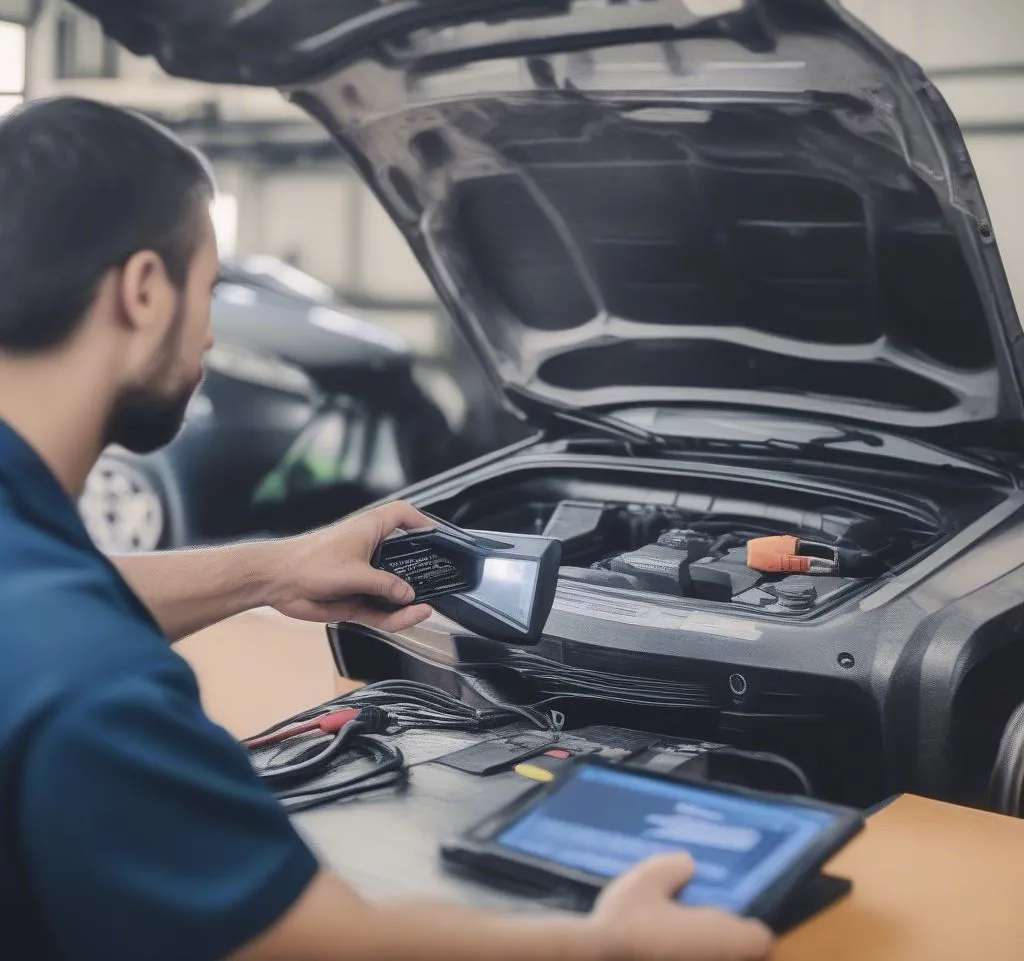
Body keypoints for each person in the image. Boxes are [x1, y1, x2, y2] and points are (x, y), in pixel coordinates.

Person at [0, 97, 773, 961]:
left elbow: (51, 596)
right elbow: (321, 947)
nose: (211, 333)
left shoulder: (44, 605)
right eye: (207, 290)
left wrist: (276, 571)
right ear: (144, 291)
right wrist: (617, 947)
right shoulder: (93, 686)